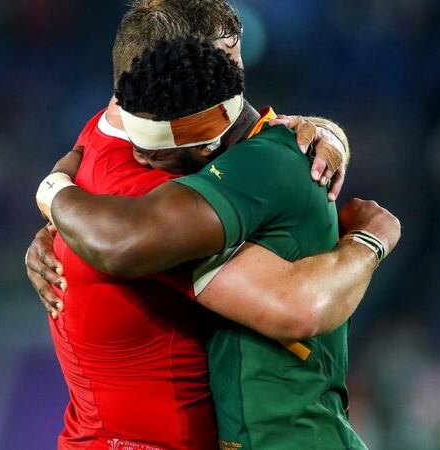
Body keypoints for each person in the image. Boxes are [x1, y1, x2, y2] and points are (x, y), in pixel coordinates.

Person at [37, 37, 401, 450]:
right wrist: (58, 234)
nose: (140, 163)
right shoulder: (245, 158)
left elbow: (304, 306)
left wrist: (373, 238)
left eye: (152, 155)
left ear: (204, 145)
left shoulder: (251, 173)